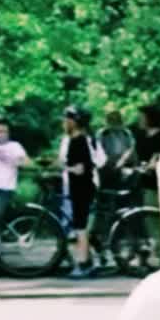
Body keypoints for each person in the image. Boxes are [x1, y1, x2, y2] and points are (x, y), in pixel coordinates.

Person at [61, 107, 99, 279]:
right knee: (80, 226)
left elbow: (80, 168)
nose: (63, 123)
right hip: (81, 188)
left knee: (80, 228)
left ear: (72, 122)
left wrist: (62, 167)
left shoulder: (79, 141)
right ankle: (91, 260)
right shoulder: (79, 139)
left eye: (66, 120)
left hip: (82, 189)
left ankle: (83, 264)